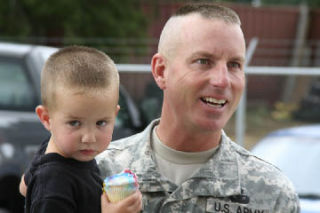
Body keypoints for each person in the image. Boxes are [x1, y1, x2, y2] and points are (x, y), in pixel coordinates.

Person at [96, 3, 300, 212]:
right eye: (203, 61)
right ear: (161, 71)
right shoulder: (97, 172)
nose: (222, 81)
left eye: (234, 65)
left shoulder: (273, 194)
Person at [20, 46, 142, 213]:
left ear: (115, 116)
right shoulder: (54, 186)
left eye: (101, 123)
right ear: (47, 118)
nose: (89, 138)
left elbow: (24, 187)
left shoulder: (56, 150)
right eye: (75, 123)